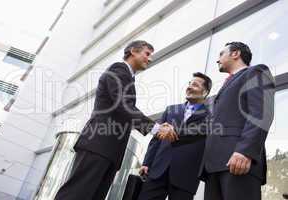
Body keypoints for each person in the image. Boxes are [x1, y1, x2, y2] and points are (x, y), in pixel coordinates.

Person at [54, 40, 178, 200]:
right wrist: (156, 128)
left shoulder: (128, 79)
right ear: (133, 51)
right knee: (77, 194)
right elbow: (123, 105)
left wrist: (158, 126)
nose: (150, 59)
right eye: (147, 54)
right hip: (98, 145)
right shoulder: (118, 70)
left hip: (109, 150)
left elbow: (122, 114)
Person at [200, 42, 275, 200]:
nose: (217, 59)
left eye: (221, 54)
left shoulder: (256, 72)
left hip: (238, 161)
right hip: (213, 166)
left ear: (235, 54)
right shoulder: (223, 87)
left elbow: (261, 113)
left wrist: (245, 151)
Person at [138, 72, 212, 200]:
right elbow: (156, 139)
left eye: (194, 85)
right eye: (189, 84)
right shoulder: (171, 110)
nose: (189, 87)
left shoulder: (210, 116)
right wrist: (147, 163)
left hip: (186, 175)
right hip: (158, 170)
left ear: (204, 92)